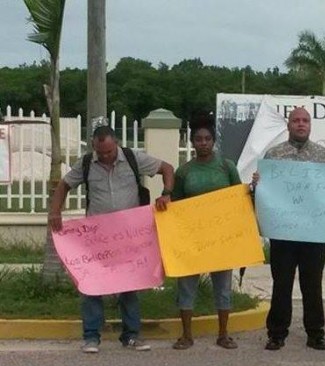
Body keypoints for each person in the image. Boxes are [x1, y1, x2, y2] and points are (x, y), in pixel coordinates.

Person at [49, 123, 174, 353]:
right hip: (97, 238)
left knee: (129, 286)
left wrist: (166, 193)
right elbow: (64, 186)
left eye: (109, 151)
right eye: (101, 152)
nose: (105, 156)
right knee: (91, 286)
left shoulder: (133, 158)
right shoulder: (86, 164)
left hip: (129, 236)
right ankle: (91, 337)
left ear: (116, 143)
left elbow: (167, 168)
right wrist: (55, 212)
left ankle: (131, 335)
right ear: (95, 147)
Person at [251, 107, 325, 351]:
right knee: (282, 284)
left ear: (310, 125)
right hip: (283, 233)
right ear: (288, 125)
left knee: (313, 284)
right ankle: (276, 333)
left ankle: (315, 333)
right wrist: (257, 184)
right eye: (296, 120)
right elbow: (262, 192)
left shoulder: (322, 155)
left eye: (305, 120)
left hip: (313, 233)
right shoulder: (274, 155)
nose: (301, 124)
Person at [170, 115, 242, 350]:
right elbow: (175, 205)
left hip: (221, 238)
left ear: (214, 141)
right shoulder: (184, 172)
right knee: (186, 285)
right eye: (199, 139)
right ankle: (186, 335)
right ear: (192, 142)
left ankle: (223, 334)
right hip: (192, 238)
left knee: (222, 286)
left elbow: (239, 199)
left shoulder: (226, 166)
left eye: (207, 139)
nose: (203, 143)